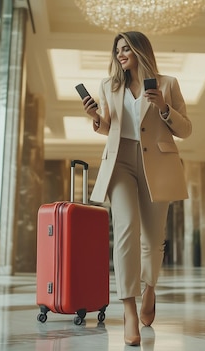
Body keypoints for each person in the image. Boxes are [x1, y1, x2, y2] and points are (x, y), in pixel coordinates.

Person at [81, 31, 191, 346]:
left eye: (126, 49)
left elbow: (186, 129)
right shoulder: (108, 86)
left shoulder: (167, 84)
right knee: (126, 229)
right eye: (117, 50)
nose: (120, 55)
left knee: (154, 239)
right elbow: (110, 128)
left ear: (140, 51)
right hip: (120, 163)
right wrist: (95, 118)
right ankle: (129, 309)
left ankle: (150, 287)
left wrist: (165, 107)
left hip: (158, 163)